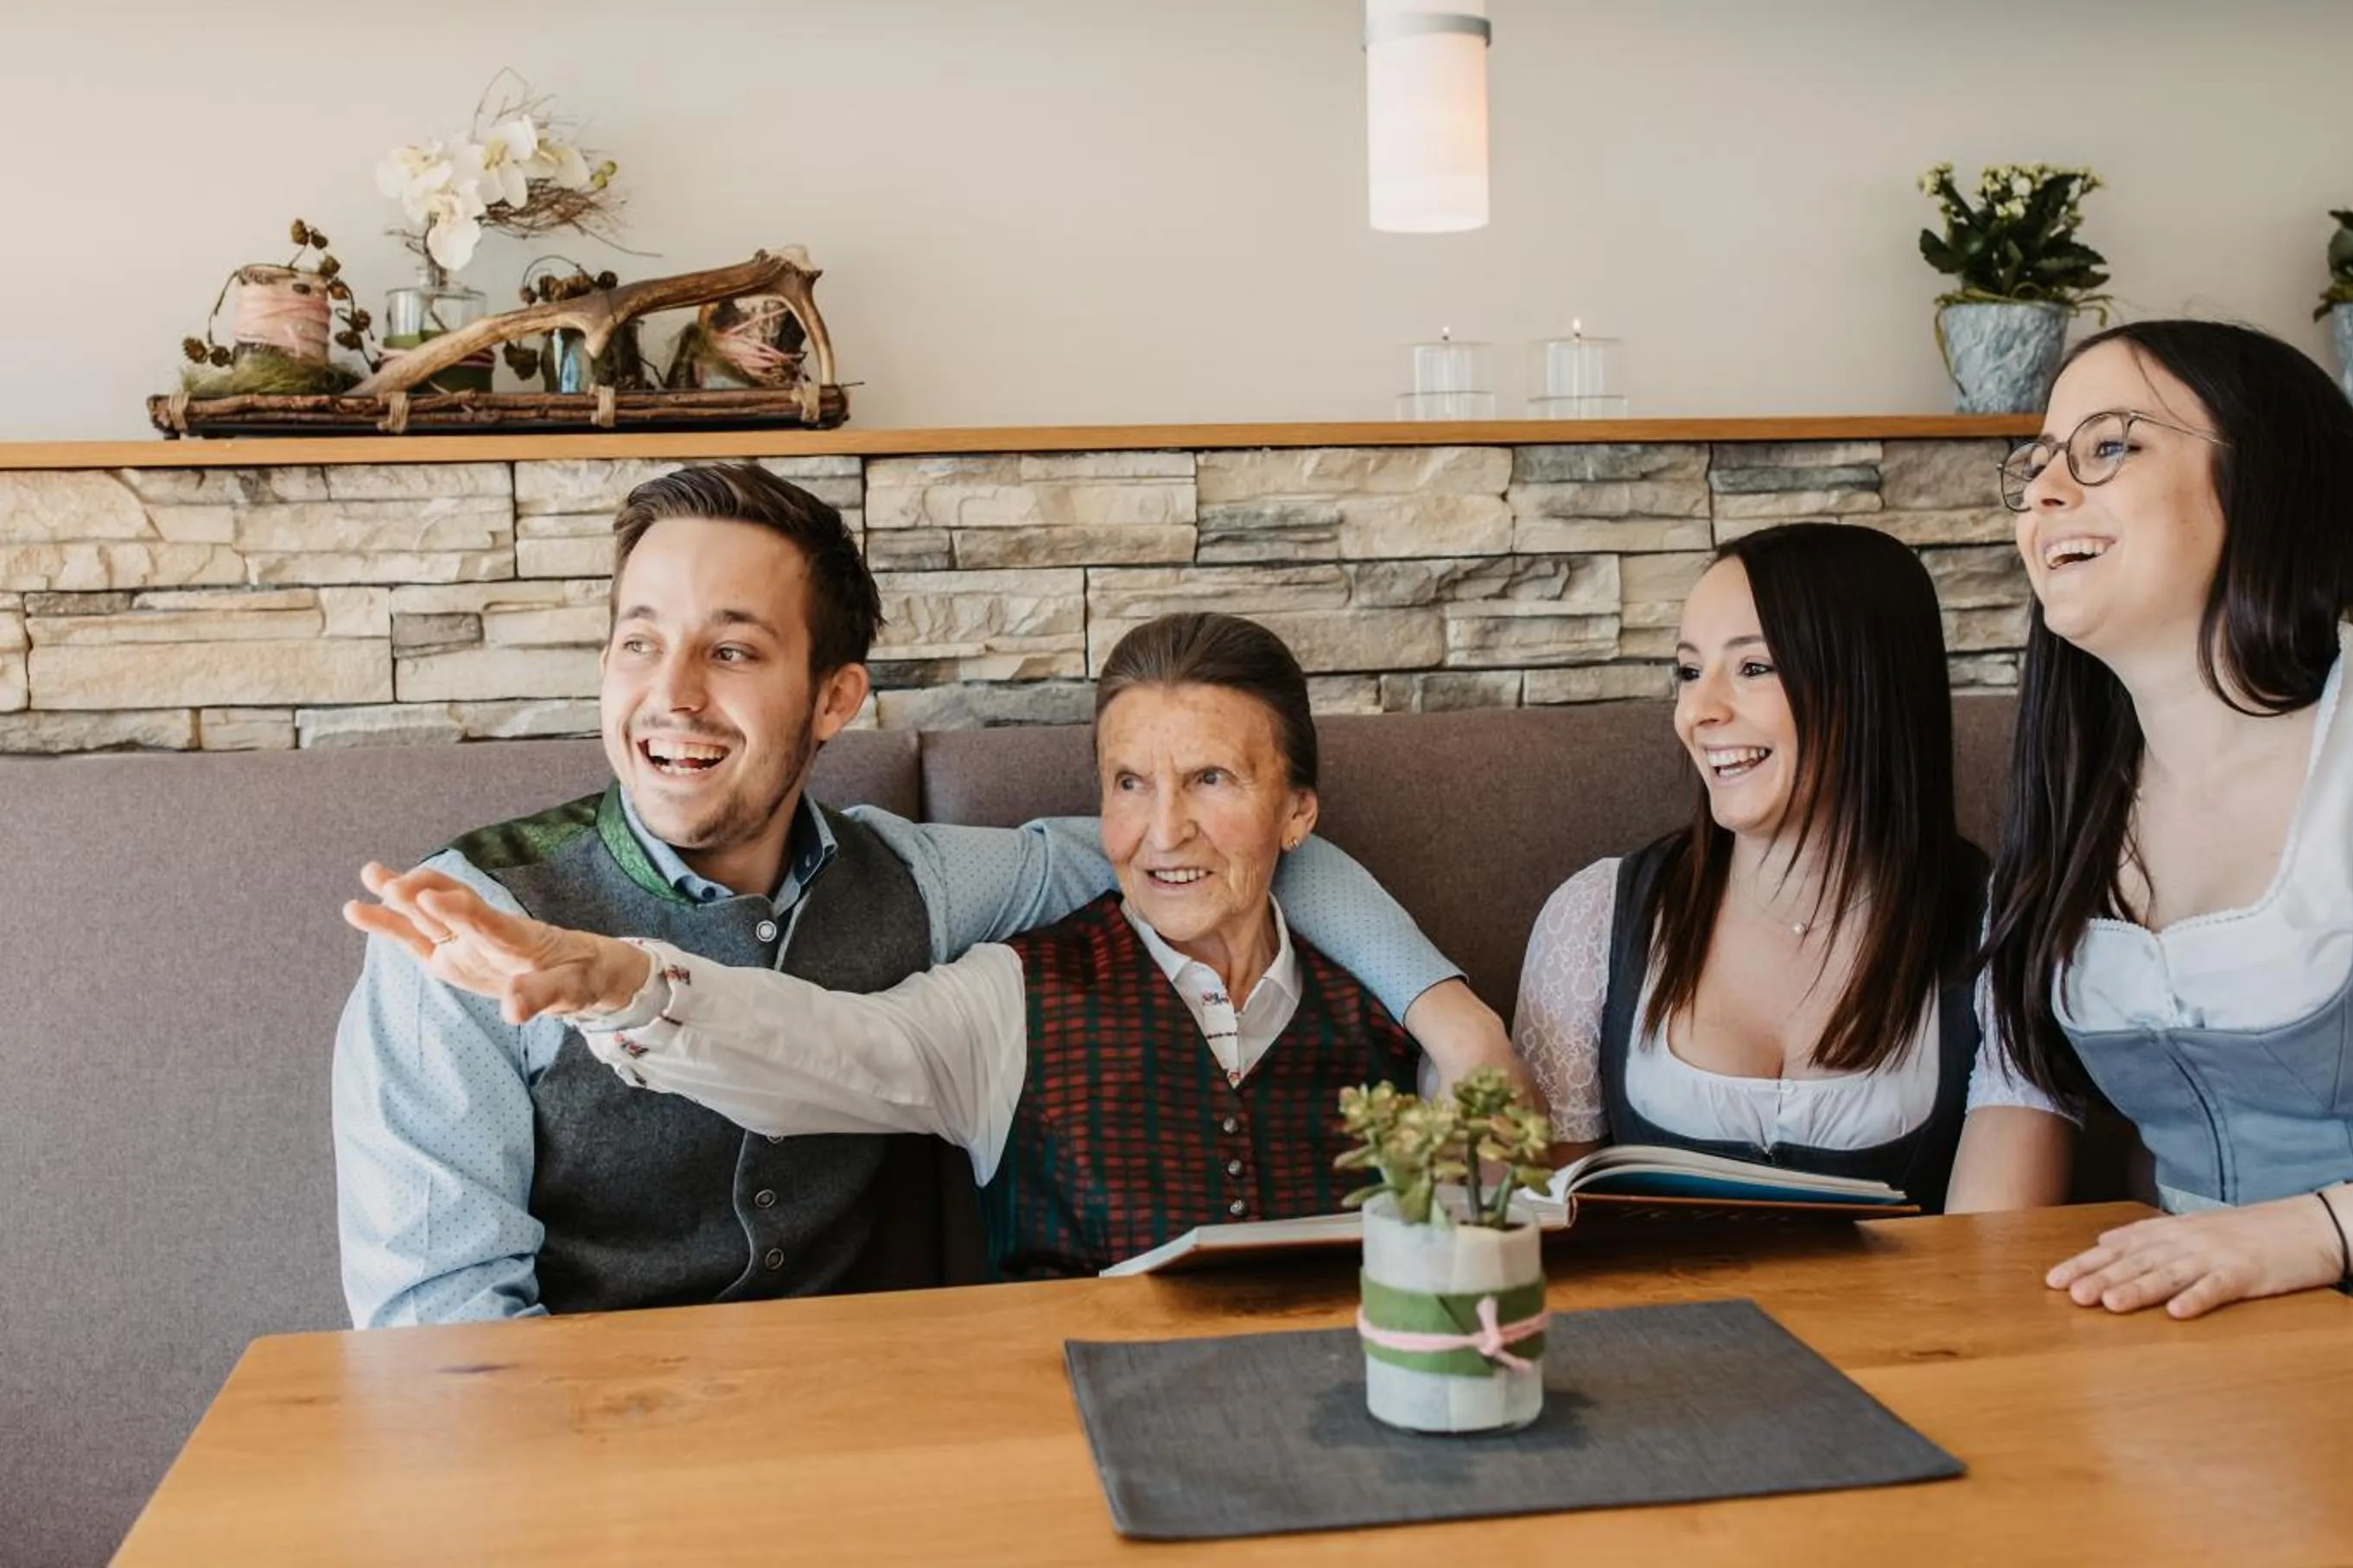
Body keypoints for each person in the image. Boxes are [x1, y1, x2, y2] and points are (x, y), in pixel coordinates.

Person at [333, 467, 1512, 1324]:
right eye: (639, 642)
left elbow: (1203, 866)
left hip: (864, 1423)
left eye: (732, 650)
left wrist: (1451, 1016)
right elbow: (443, 1335)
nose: (672, 694)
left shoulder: (923, 881)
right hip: (586, 1445)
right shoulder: (461, 925)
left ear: (835, 698)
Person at [1946, 319, 2353, 1399]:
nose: (2044, 494)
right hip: (2208, 1379)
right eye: (2038, 462)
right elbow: (2015, 1114)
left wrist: (2325, 1228)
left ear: (2268, 482)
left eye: (2108, 447)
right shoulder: (2071, 812)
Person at [1512, 523, 1994, 1212]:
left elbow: (2003, 1248)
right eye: (1689, 672)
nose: (1699, 712)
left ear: (1869, 684)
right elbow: (1545, 1221)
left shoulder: (1996, 930)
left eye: (1754, 668)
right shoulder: (1595, 919)